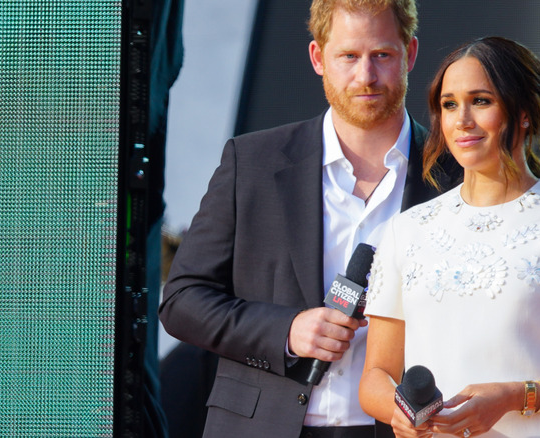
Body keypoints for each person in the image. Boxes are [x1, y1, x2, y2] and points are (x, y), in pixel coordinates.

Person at [158, 0, 460, 437]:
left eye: (382, 55)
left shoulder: (456, 177)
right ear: (318, 58)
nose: (366, 76)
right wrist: (288, 331)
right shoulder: (252, 162)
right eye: (348, 56)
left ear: (410, 54)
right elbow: (182, 301)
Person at [359, 36, 540, 438]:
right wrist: (400, 413)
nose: (462, 120)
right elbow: (375, 375)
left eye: (481, 101)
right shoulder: (406, 230)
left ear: (524, 112)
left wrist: (516, 396)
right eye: (449, 104)